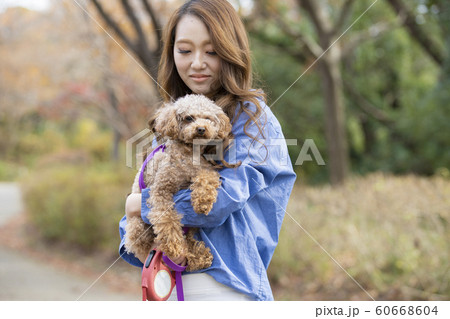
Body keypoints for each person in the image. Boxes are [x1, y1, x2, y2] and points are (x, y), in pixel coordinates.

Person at [119, 0, 296, 301]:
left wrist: (139, 204)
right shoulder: (172, 122)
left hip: (224, 285)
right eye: (185, 50)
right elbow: (131, 226)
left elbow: (217, 202)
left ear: (230, 52)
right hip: (166, 283)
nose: (197, 62)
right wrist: (136, 218)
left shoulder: (252, 117)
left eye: (211, 51)